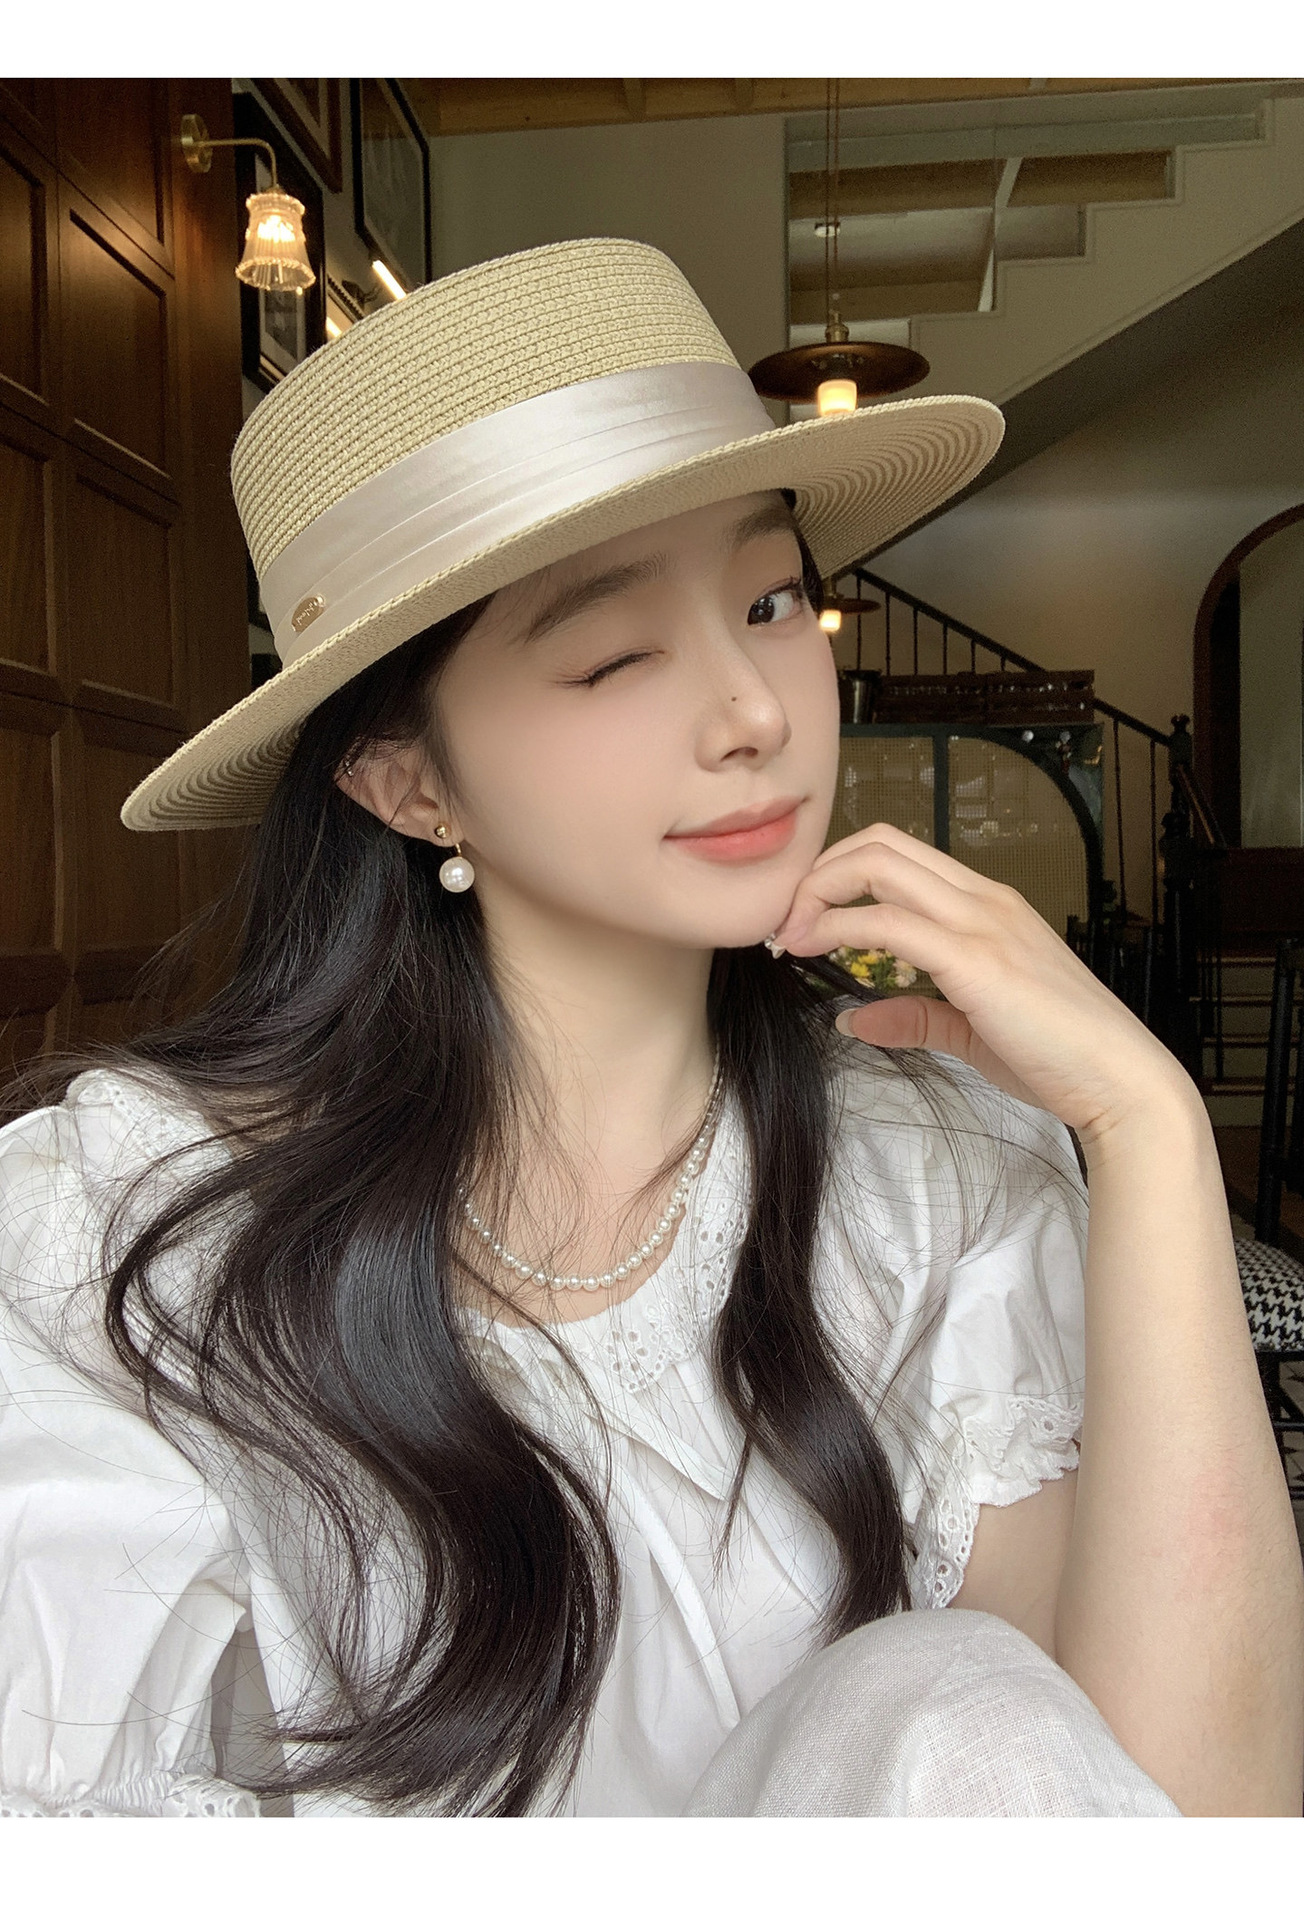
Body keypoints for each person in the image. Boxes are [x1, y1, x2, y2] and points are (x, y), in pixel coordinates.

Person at [0, 239, 1299, 1820]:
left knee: (954, 1694)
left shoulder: (931, 1190)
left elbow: (1183, 1822)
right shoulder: (116, 1239)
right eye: (616, 653)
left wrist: (1150, 1126)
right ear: (407, 781)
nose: (756, 710)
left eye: (771, 599)